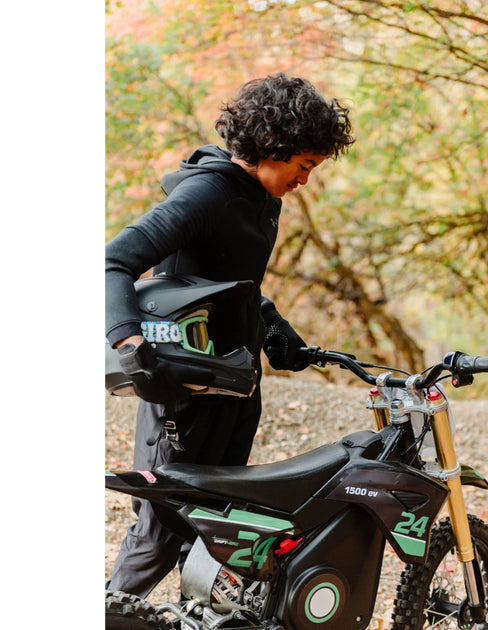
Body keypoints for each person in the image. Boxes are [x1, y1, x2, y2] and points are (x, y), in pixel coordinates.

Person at [105, 72, 354, 597]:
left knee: (217, 525)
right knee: (160, 533)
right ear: (274, 145)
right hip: (183, 389)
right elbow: (114, 262)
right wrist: (130, 345)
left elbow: (225, 283)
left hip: (235, 386)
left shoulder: (263, 199)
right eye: (304, 165)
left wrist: (271, 324)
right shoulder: (208, 193)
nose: (304, 180)